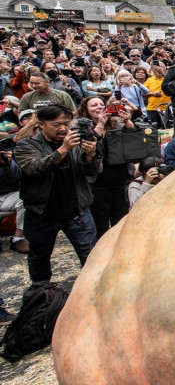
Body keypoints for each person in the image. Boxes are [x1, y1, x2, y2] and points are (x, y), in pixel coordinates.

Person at [14, 104, 101, 285]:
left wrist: (91, 155)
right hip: (41, 214)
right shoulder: (27, 145)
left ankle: (94, 289)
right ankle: (41, 294)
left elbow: (92, 172)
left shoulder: (76, 140)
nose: (62, 129)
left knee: (91, 256)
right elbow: (34, 168)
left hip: (77, 211)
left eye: (65, 123)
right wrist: (64, 149)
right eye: (56, 124)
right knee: (39, 258)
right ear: (42, 124)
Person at [78, 96, 134, 239]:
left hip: (120, 178)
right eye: (94, 105)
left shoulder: (116, 123)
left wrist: (127, 120)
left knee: (120, 221)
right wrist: (100, 124)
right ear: (86, 110)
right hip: (98, 182)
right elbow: (86, 147)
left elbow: (134, 139)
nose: (99, 107)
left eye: (101, 104)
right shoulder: (82, 126)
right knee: (100, 223)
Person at [0, 147, 28, 253]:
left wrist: (7, 163)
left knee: (26, 199)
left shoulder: (6, 150)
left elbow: (15, 177)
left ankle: (18, 238)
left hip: (9, 194)